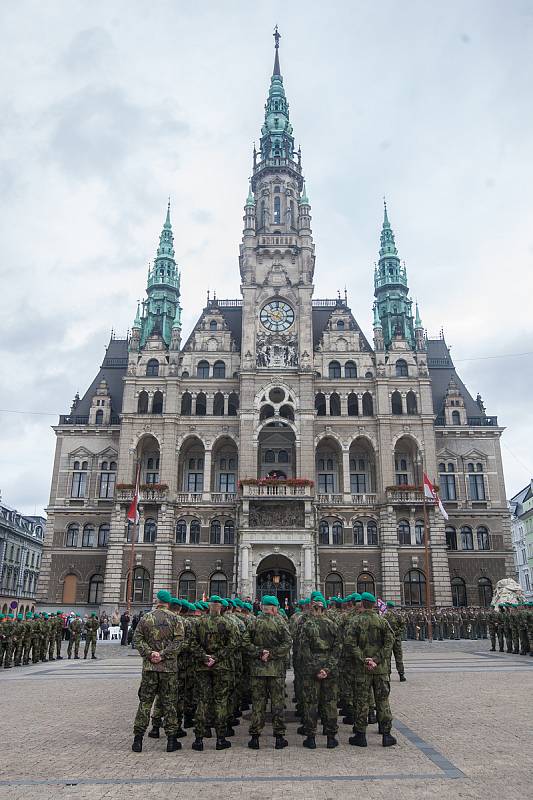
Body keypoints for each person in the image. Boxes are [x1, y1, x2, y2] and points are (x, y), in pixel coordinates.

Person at [132, 589, 185, 753]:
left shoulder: (146, 618)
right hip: (168, 669)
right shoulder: (176, 619)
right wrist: (163, 655)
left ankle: (138, 740)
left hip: (149, 668)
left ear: (157, 601)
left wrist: (150, 654)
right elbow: (178, 642)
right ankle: (171, 741)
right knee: (169, 703)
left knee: (145, 703)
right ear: (168, 603)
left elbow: (137, 639)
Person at [343, 592, 396, 747]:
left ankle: (360, 735)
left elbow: (350, 643)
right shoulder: (382, 621)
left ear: (362, 604)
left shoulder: (355, 621)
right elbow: (389, 643)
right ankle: (386, 734)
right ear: (373, 604)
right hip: (380, 669)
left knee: (361, 701)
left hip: (362, 669)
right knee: (382, 701)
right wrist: (377, 660)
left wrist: (364, 659)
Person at [189, 595, 239, 751]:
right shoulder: (228, 623)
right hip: (222, 667)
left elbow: (191, 643)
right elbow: (234, 643)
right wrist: (217, 658)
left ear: (209, 606)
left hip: (203, 667)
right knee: (220, 701)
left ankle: (198, 740)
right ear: (221, 607)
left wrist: (205, 657)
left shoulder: (199, 622)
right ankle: (220, 739)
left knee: (202, 701)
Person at [242, 594, 291, 750]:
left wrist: (259, 652)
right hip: (276, 670)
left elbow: (245, 642)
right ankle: (279, 737)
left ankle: (255, 738)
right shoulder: (280, 622)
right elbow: (288, 642)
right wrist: (273, 653)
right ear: (275, 608)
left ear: (262, 607)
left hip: (258, 670)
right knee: (277, 704)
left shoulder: (254, 622)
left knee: (258, 703)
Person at [297, 591, 339, 749]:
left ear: (312, 608)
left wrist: (315, 669)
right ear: (324, 608)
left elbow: (303, 650)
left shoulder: (307, 625)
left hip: (311, 670)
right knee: (330, 704)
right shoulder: (332, 625)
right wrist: (327, 669)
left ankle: (311, 738)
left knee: (311, 703)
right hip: (330, 670)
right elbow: (338, 649)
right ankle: (330, 738)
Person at [384, 601, 406, 681]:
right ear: (393, 607)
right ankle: (401, 675)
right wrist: (397, 632)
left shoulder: (384, 616)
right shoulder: (398, 616)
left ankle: (388, 675)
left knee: (387, 658)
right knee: (399, 657)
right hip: (397, 639)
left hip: (388, 640)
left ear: (387, 607)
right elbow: (403, 626)